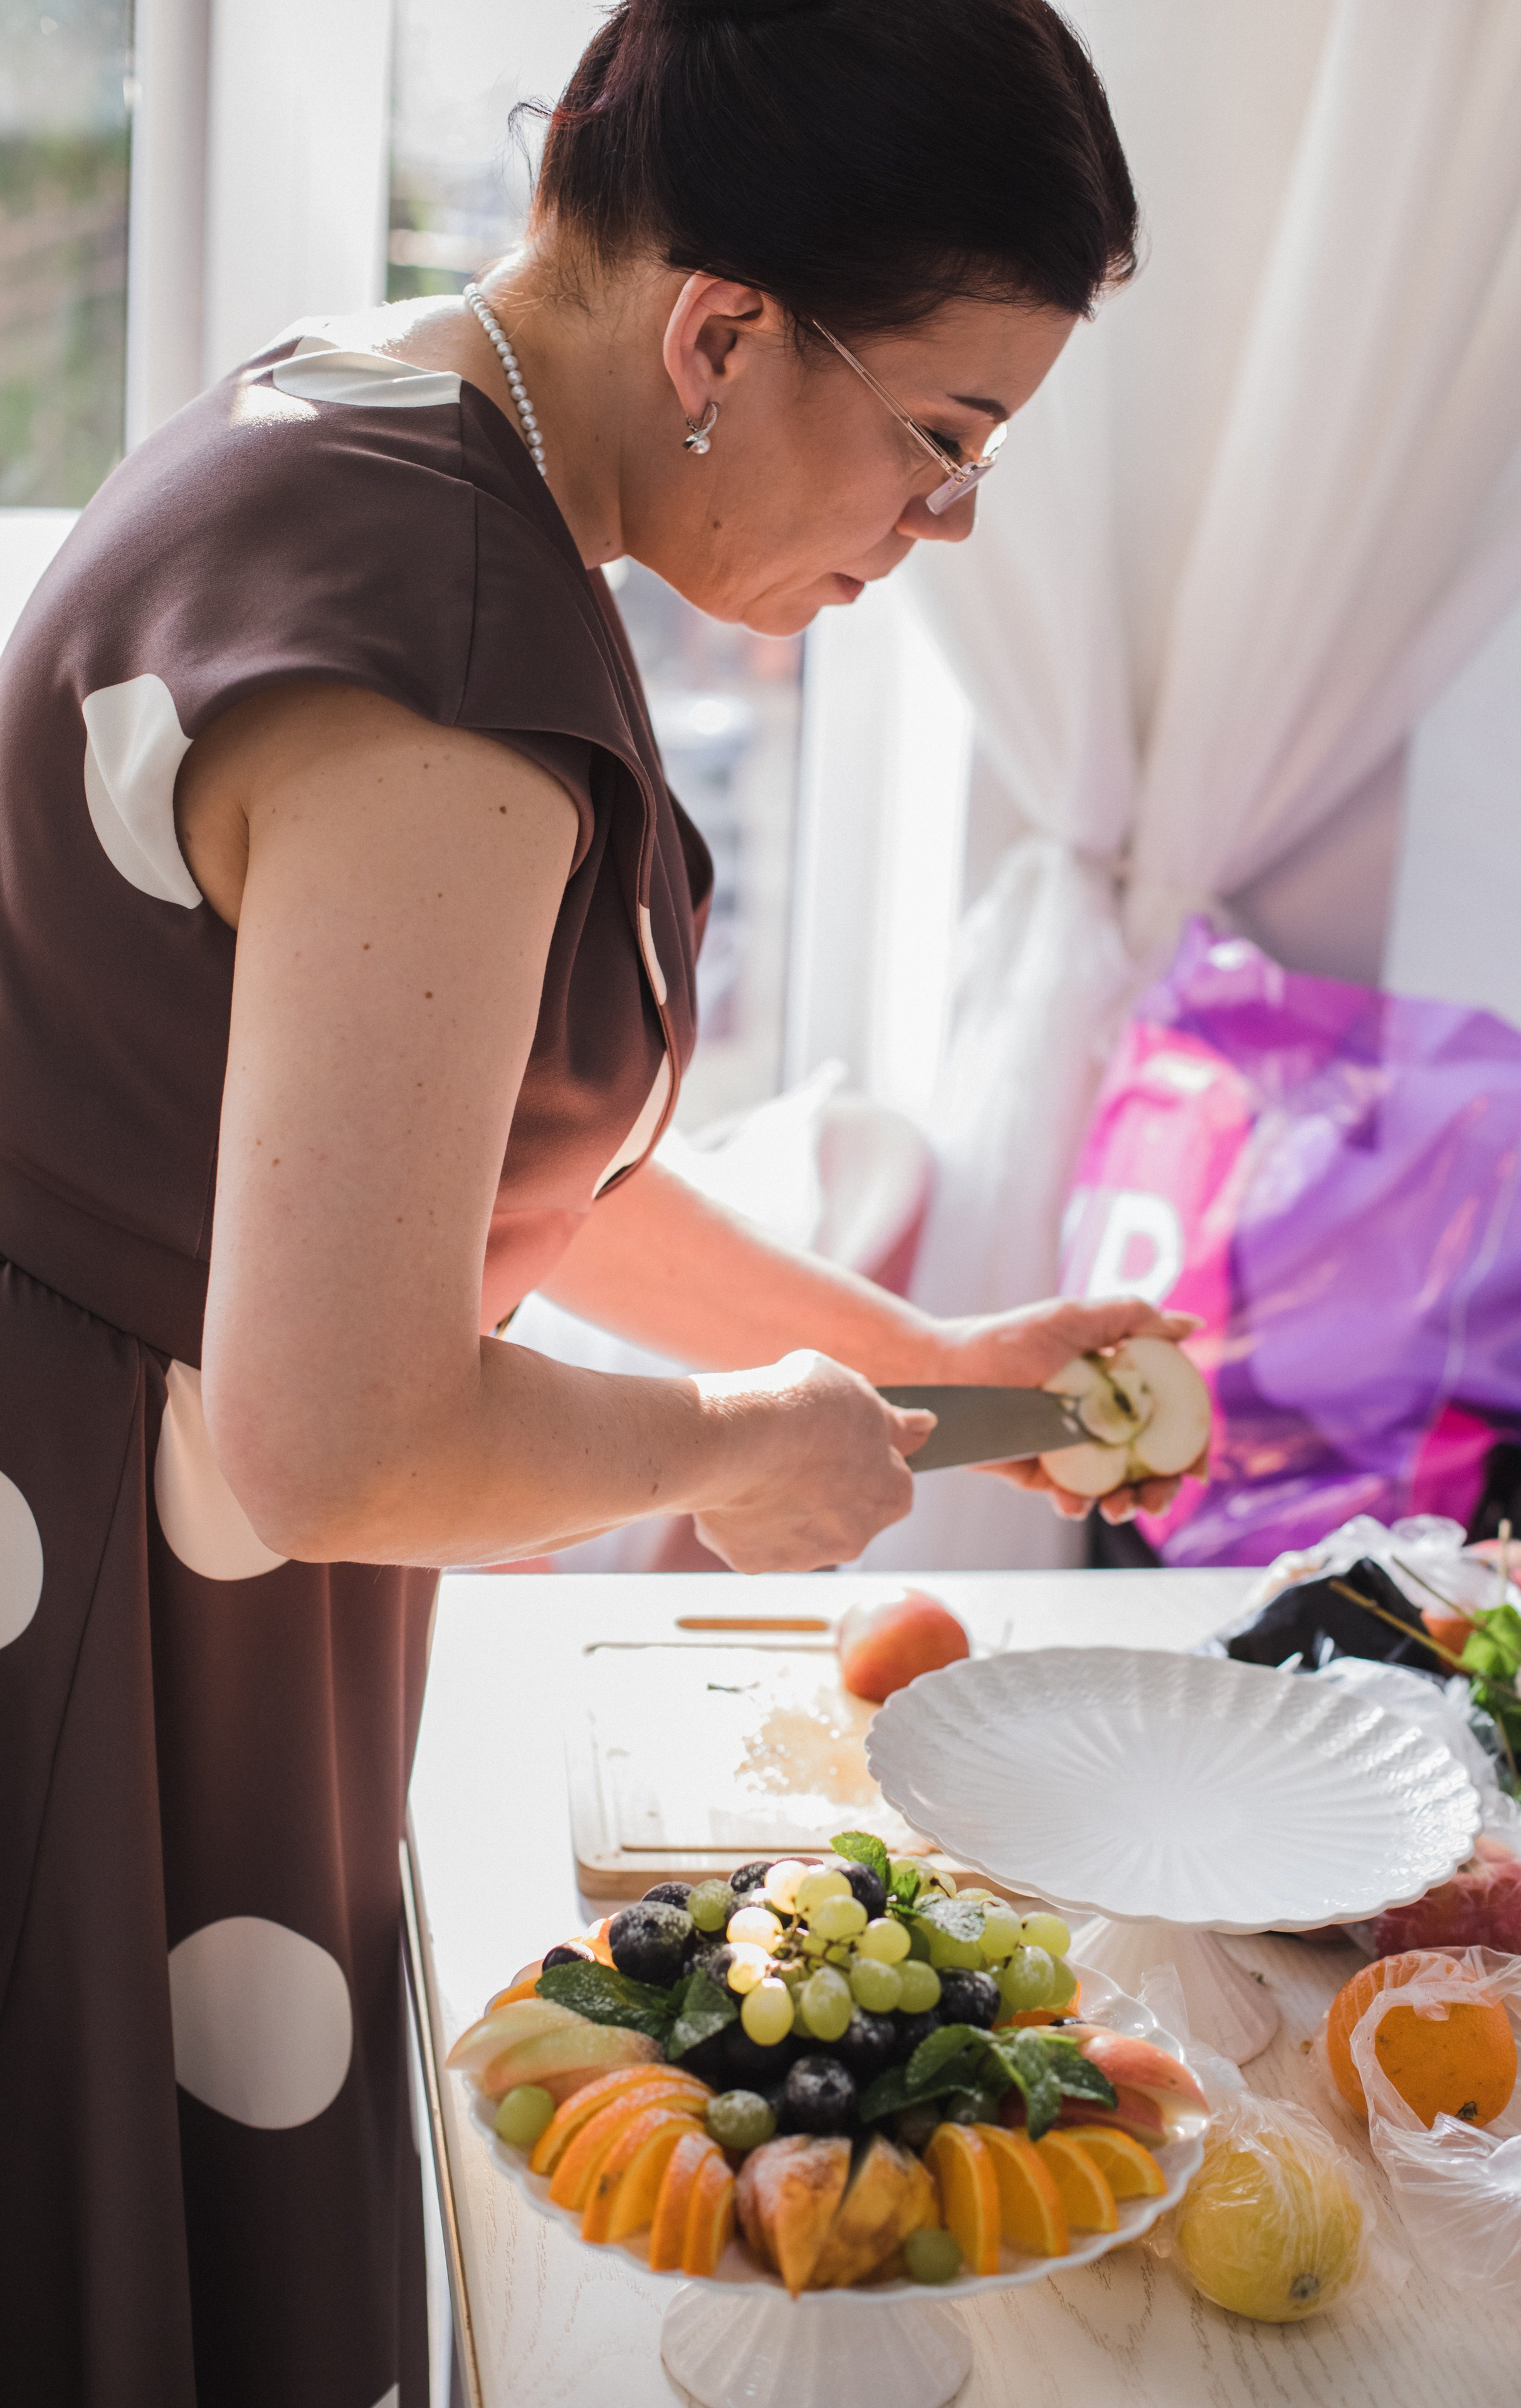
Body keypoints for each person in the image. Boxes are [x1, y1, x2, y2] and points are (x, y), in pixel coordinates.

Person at [0, 2, 1182, 2400]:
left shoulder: (396, 412)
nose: (944, 524)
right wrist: (738, 1442)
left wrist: (933, 1373)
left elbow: (442, 1139)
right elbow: (342, 1429)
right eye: (946, 439)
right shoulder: (445, 664)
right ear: (726, 332)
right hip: (109, 1594)